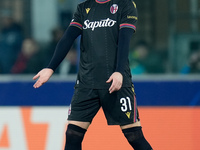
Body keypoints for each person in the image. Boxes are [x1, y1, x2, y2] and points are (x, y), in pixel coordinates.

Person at [33, 0, 153, 150]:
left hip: (115, 82)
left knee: (134, 136)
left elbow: (124, 40)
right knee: (72, 134)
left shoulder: (125, 5)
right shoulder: (83, 8)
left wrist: (119, 72)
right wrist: (51, 68)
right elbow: (68, 38)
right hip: (86, 83)